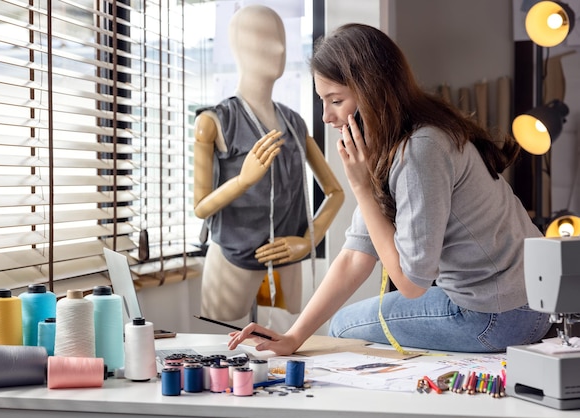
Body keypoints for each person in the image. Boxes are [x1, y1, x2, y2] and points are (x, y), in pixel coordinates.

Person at [228, 23, 552, 354]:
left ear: (372, 91)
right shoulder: (403, 141)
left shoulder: (420, 150)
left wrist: (361, 186)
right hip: (525, 304)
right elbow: (355, 257)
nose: (325, 116)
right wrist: (294, 337)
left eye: (335, 100)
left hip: (498, 316)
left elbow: (411, 284)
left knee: (343, 326)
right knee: (345, 322)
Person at [193, 5, 344, 322]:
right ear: (238, 46)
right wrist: (242, 181)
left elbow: (335, 192)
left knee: (286, 353)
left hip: (287, 258)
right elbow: (201, 208)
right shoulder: (215, 122)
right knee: (225, 356)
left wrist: (307, 240)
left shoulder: (294, 123)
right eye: (263, 38)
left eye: (281, 39)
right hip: (232, 262)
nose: (277, 48)